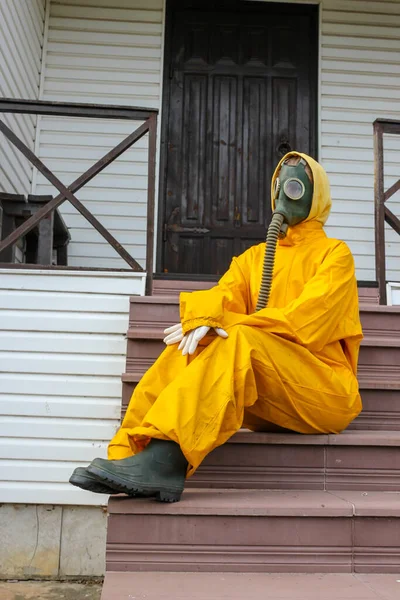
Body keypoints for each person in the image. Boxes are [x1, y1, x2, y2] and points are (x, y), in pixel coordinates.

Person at [70, 151, 363, 503]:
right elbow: (223, 296)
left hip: (323, 392)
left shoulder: (335, 255)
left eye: (297, 185)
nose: (287, 192)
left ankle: (168, 460)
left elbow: (306, 321)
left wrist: (224, 322)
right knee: (192, 344)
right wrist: (204, 320)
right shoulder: (253, 259)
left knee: (238, 338)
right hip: (269, 398)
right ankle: (127, 454)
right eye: (281, 184)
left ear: (317, 195)